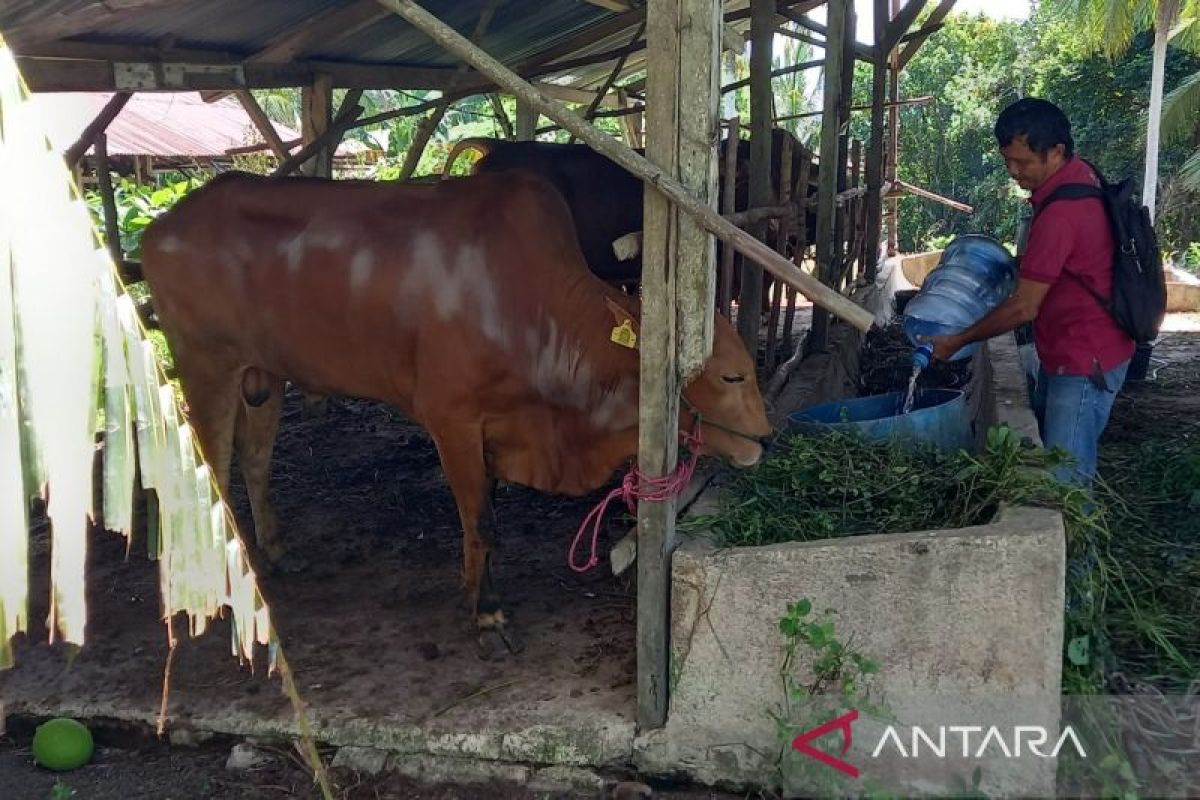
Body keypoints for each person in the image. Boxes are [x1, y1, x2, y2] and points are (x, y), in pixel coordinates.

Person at [923, 98, 1134, 485]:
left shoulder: (1062, 213)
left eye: (1022, 163)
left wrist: (957, 340)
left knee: (1065, 479)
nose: (1013, 172)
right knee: (1054, 451)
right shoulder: (1079, 176)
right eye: (1008, 161)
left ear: (1056, 151)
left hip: (1086, 359)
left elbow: (1024, 307)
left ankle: (1076, 546)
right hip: (1073, 348)